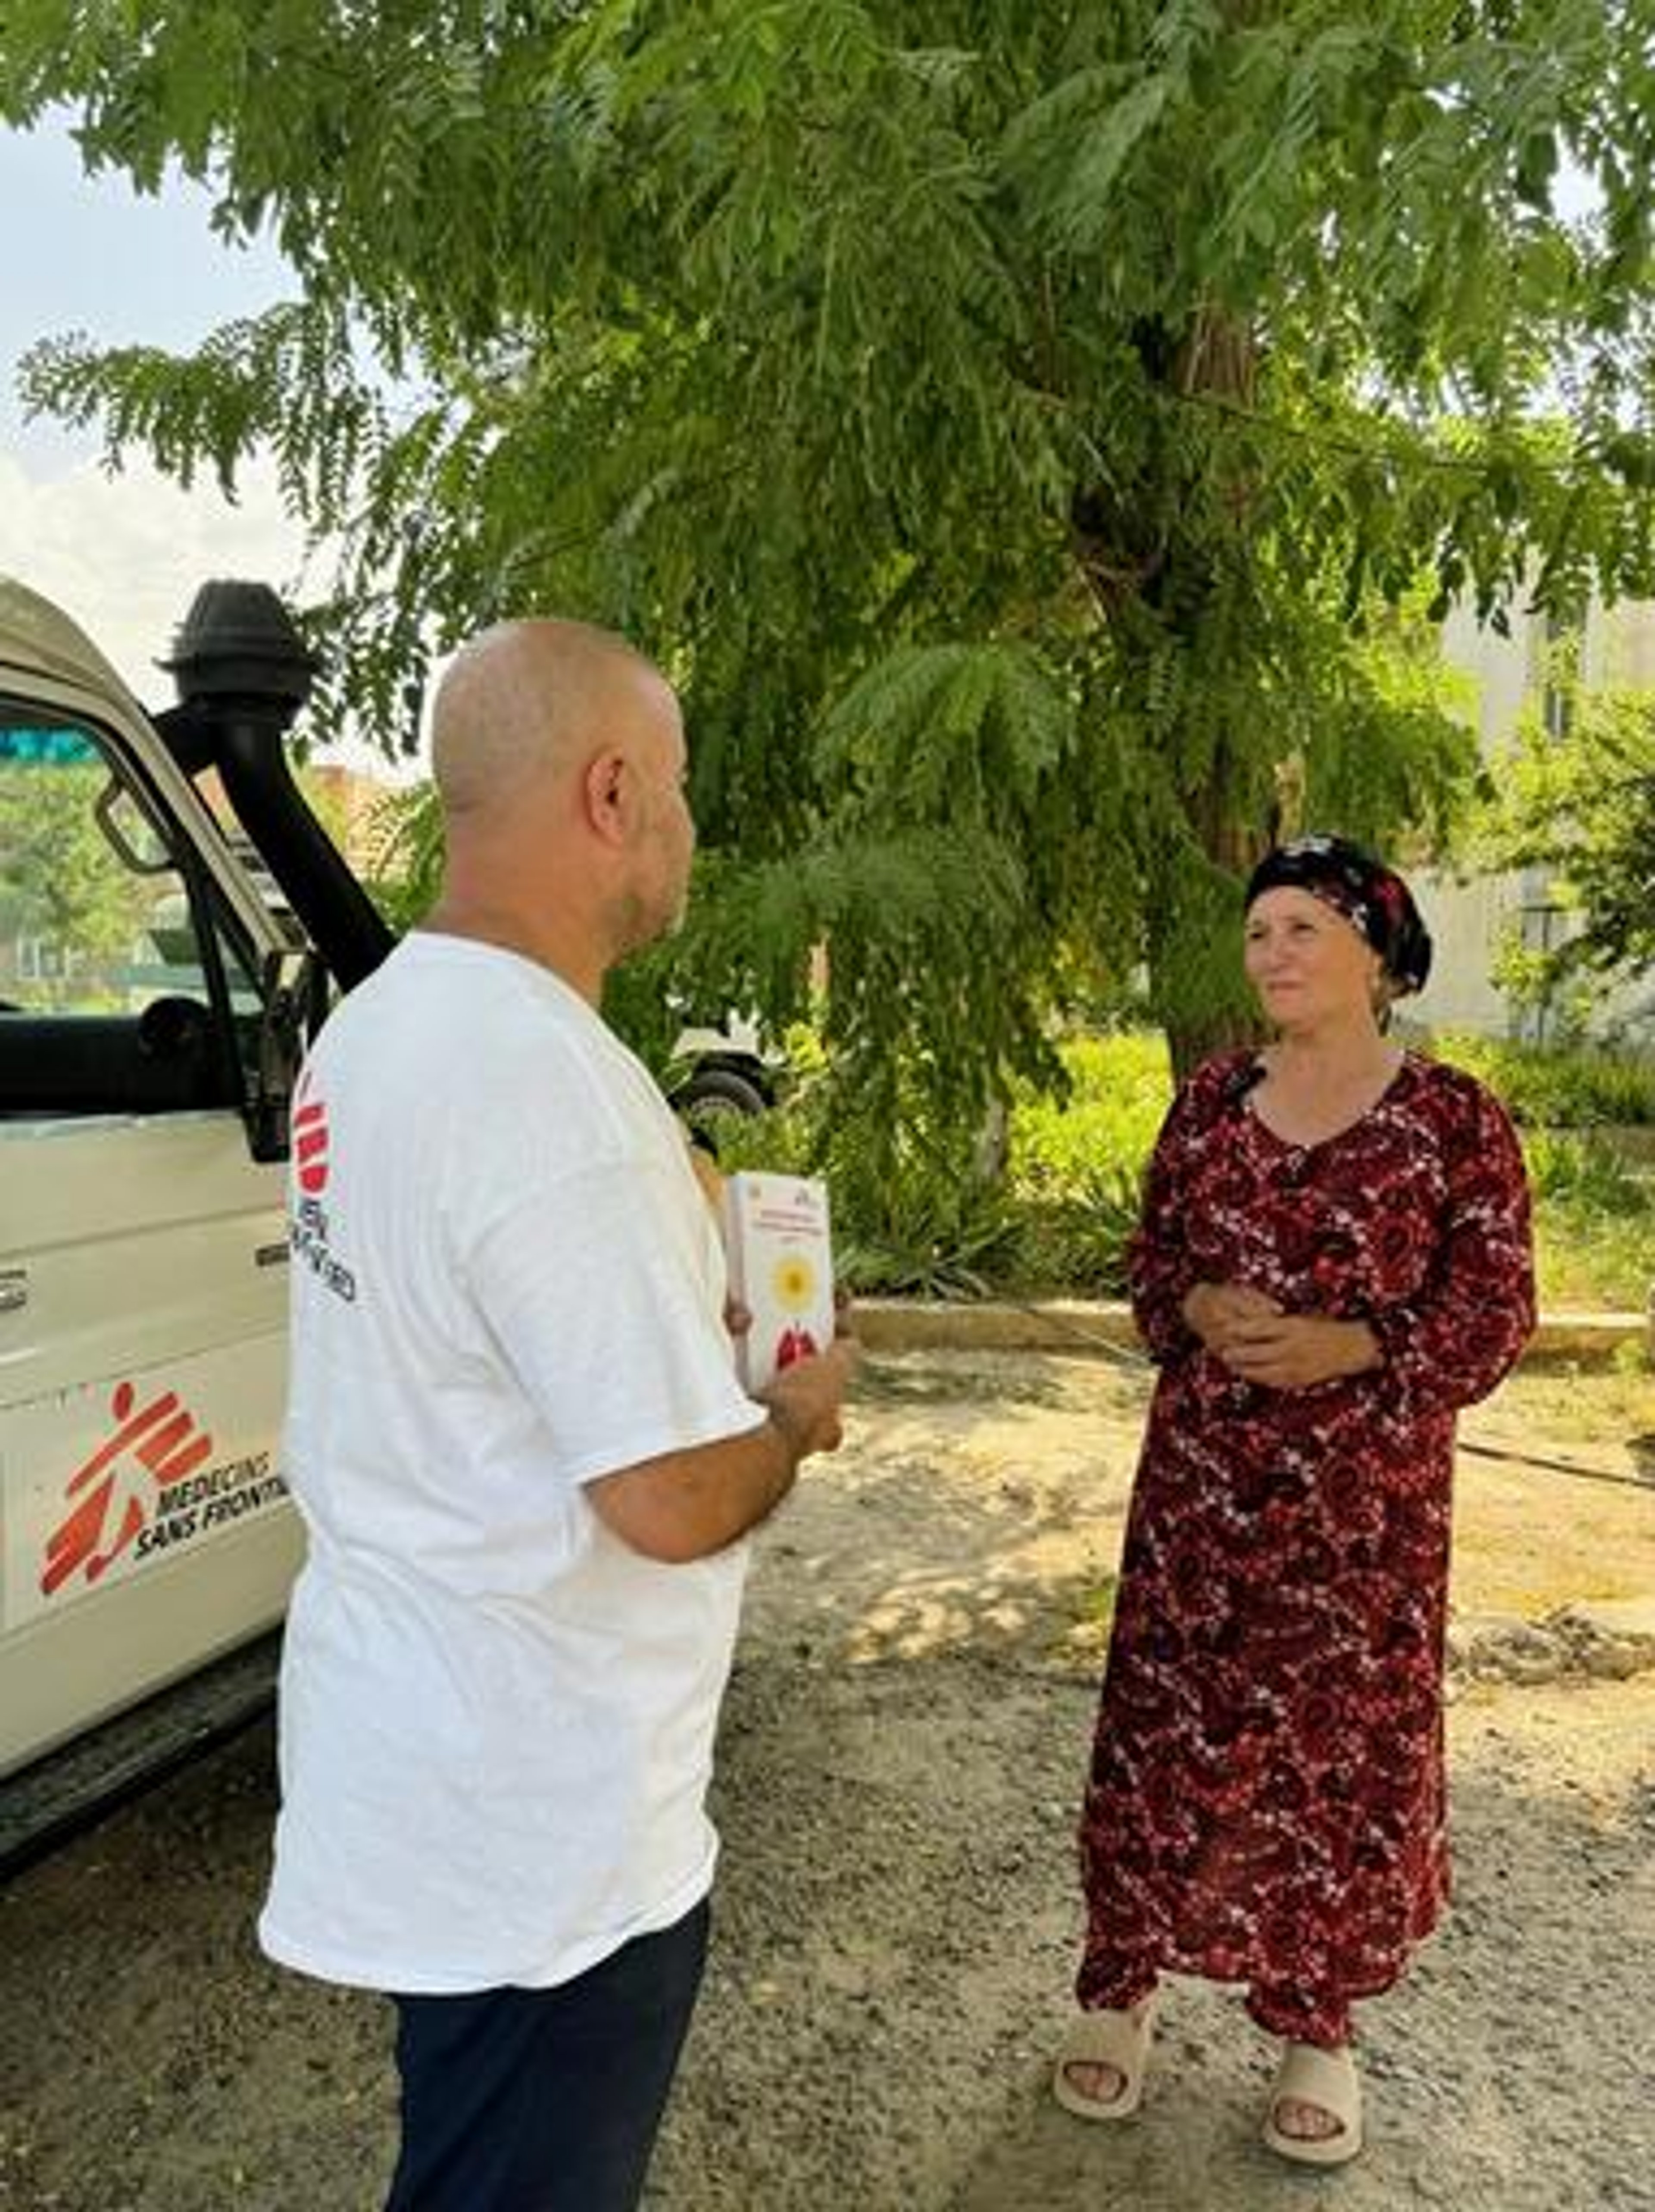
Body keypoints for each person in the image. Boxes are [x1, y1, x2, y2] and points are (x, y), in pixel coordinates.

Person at [259, 618, 856, 2212]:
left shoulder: (380, 1027)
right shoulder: (555, 1092)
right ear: (609, 792)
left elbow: (473, 1343)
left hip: (422, 1752)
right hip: (546, 1836)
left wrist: (670, 1326)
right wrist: (794, 1418)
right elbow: (662, 1502)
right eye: (671, 788)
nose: (683, 829)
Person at [1053, 833, 1534, 2167]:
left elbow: (1496, 1313)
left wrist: (1360, 1344)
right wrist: (1200, 1302)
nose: (1271, 954)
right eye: (1259, 932)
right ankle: (1122, 1984)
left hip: (1362, 1519)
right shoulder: (1210, 1102)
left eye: (1302, 931)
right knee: (1167, 1725)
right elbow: (1152, 1266)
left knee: (1336, 1757)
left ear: (1376, 953)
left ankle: (1317, 2023)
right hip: (1202, 1499)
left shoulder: (1455, 1122)